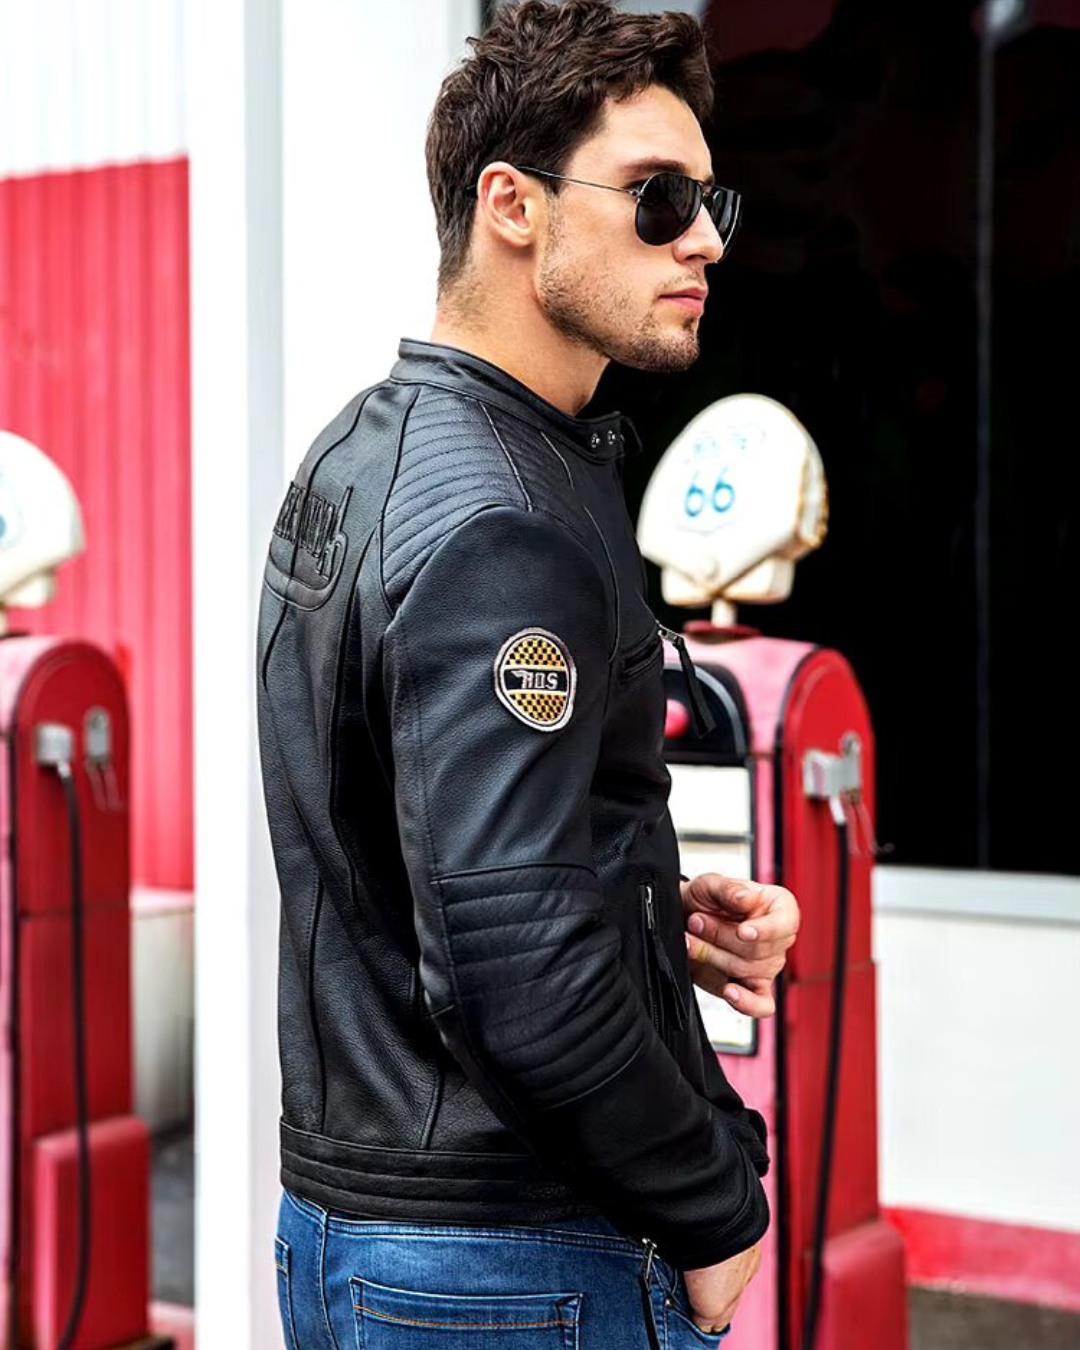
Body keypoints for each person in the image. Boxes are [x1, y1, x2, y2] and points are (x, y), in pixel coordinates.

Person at [257, 3, 799, 1347]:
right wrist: (716, 1208)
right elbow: (514, 969)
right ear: (512, 204)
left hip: (372, 1230)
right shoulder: (506, 517)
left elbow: (413, 854)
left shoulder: (362, 451)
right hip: (508, 1260)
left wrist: (644, 913)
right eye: (658, 197)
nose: (704, 238)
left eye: (710, 200)